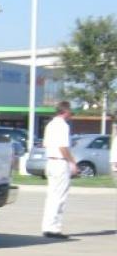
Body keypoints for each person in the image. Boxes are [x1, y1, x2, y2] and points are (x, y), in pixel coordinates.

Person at [41, 101, 77, 239]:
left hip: (50, 161)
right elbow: (63, 147)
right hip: (60, 162)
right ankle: (54, 228)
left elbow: (46, 144)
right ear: (65, 111)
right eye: (70, 112)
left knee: (51, 196)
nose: (71, 115)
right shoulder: (63, 126)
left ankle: (47, 226)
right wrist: (72, 162)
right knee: (60, 197)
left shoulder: (50, 125)